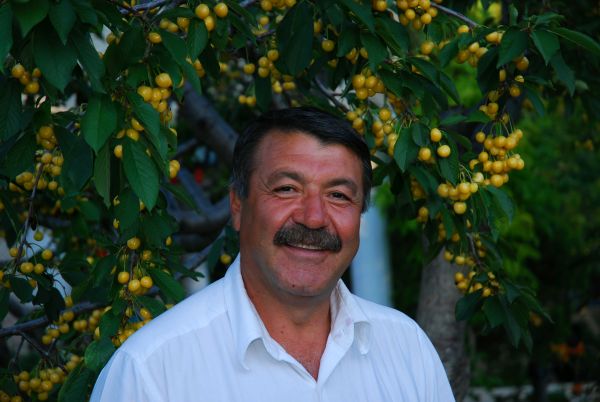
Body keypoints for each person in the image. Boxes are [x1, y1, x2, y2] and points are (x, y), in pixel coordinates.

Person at [91, 107, 455, 401]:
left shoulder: (408, 349)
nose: (314, 217)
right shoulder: (151, 371)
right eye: (286, 189)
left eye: (338, 195)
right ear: (238, 205)